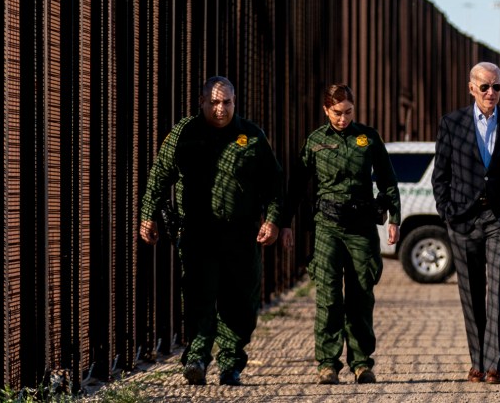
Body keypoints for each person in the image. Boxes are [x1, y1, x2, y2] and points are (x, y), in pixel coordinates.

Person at [139, 76, 283, 387]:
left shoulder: (252, 136)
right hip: (198, 232)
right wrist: (147, 216)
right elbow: (160, 175)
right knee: (198, 296)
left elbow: (274, 184)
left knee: (240, 302)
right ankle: (198, 358)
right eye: (214, 102)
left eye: (227, 102)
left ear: (235, 103)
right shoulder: (184, 133)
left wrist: (272, 220)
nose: (221, 109)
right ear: (202, 103)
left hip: (241, 235)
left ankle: (231, 363)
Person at [286, 84, 401, 385]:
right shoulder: (315, 142)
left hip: (361, 228)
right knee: (328, 296)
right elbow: (297, 186)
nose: (343, 119)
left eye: (348, 112)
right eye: (337, 113)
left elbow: (388, 180)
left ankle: (361, 363)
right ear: (326, 110)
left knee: (362, 295)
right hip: (327, 227)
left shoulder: (368, 138)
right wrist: (284, 222)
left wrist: (395, 218)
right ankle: (328, 363)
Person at [432, 61, 500, 385]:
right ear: (471, 87)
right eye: (485, 87)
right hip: (463, 219)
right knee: (471, 292)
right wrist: (448, 212)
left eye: (497, 87)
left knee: (499, 291)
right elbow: (441, 176)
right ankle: (476, 361)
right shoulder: (452, 123)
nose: (491, 93)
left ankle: (494, 365)